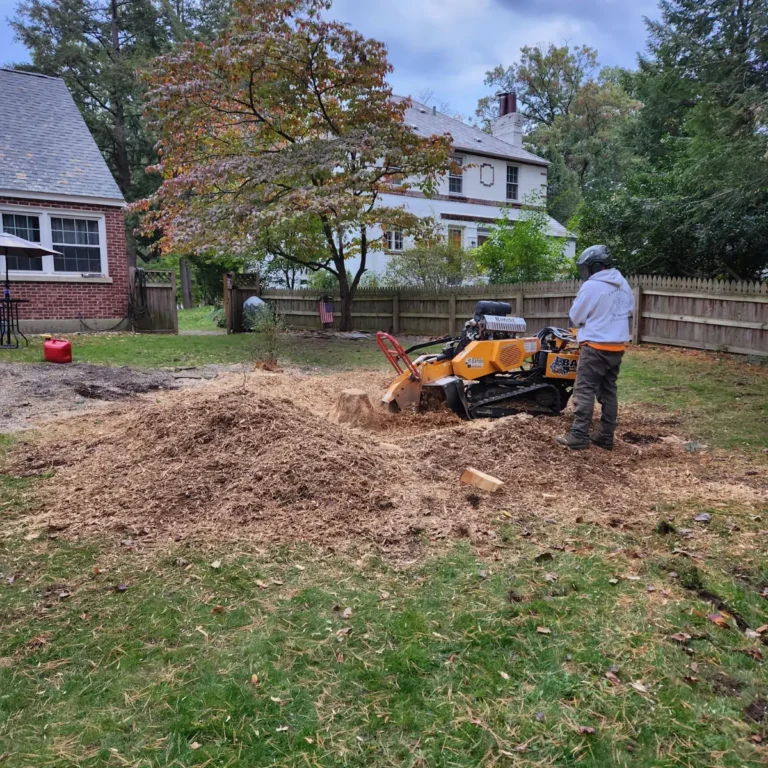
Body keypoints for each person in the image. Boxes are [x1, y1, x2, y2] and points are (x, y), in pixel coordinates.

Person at [556, 245, 634, 451]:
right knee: (609, 390)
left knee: (584, 389)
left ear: (595, 266)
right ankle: (605, 435)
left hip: (595, 347)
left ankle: (579, 435)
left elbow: (576, 316)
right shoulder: (623, 284)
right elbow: (628, 309)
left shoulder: (592, 286)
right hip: (616, 347)